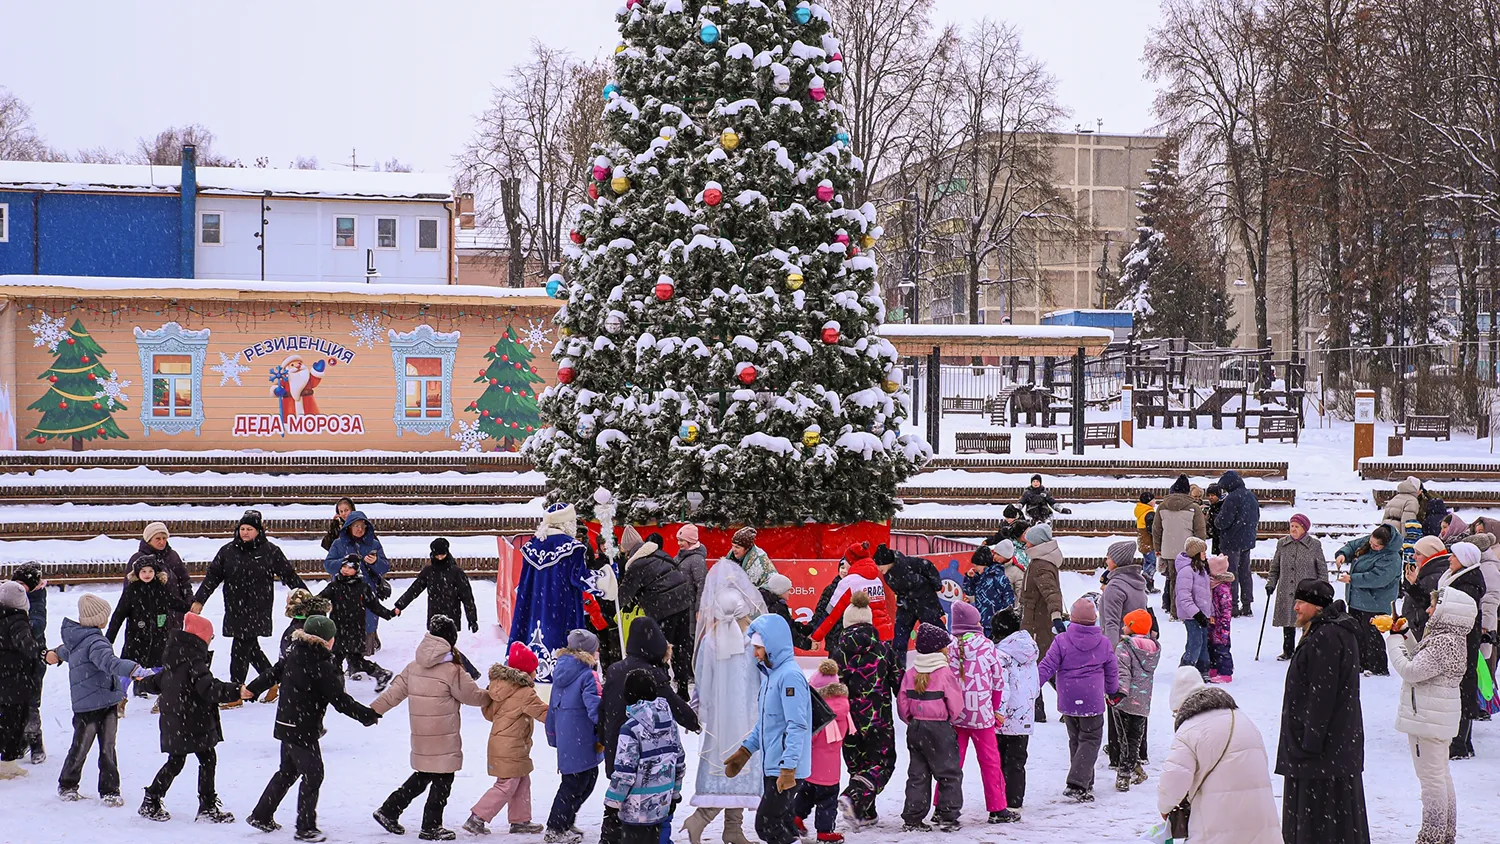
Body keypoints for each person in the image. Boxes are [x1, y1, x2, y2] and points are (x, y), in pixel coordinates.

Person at [247, 614, 380, 842]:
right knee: (313, 774)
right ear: (327, 640)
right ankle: (305, 827)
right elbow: (339, 700)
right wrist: (365, 715)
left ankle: (261, 815)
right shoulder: (321, 665)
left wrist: (252, 689)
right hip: (302, 728)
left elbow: (272, 673)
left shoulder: (293, 653)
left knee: (287, 772)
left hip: (286, 723)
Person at [371, 614, 491, 839]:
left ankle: (389, 810)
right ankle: (431, 826)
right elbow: (473, 696)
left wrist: (373, 711)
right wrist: (493, 695)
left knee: (424, 774)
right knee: (443, 779)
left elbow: (393, 693)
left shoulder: (413, 666)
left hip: (421, 734)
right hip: (443, 735)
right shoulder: (452, 670)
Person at [1276, 579, 1369, 844]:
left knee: (1319, 818)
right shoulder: (1330, 631)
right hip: (1333, 747)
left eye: (1301, 602)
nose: (1295, 608)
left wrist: (1309, 743)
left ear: (1317, 606)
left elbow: (1322, 695)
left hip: (1322, 751)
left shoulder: (1326, 637)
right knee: (1335, 816)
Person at [133, 612, 247, 823]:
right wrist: (236, 690)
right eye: (210, 637)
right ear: (202, 637)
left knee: (183, 760)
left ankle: (155, 800)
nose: (211, 641)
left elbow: (159, 681)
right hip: (191, 720)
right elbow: (209, 688)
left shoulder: (176, 656)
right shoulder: (194, 660)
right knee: (202, 759)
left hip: (177, 720)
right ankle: (202, 806)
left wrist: (143, 682)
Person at [683, 561, 766, 844]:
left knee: (723, 767)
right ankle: (701, 820)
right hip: (749, 717)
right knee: (741, 767)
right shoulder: (754, 643)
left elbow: (702, 681)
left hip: (721, 720)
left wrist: (703, 709)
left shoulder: (710, 643)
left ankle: (732, 828)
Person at [598, 616, 701, 844]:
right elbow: (673, 704)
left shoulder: (615, 670)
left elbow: (603, 709)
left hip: (617, 747)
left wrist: (602, 738)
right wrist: (693, 721)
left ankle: (615, 836)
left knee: (621, 800)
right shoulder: (649, 675)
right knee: (648, 808)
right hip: (649, 759)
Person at [1385, 586, 1473, 844]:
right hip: (1436, 715)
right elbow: (1422, 659)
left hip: (1427, 718)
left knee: (1431, 779)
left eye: (1435, 606)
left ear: (1449, 612)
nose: (1428, 610)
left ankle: (1431, 835)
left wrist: (1392, 640)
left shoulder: (1444, 642)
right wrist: (1405, 634)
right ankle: (1445, 833)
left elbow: (1411, 671)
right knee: (1440, 775)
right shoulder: (1448, 638)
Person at [49, 593, 152, 805]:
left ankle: (92, 787)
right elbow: (110, 663)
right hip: (98, 705)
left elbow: (66, 651)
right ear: (98, 619)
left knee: (84, 747)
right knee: (103, 748)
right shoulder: (96, 642)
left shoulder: (80, 639)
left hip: (96, 702)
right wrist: (133, 669)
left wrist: (54, 653)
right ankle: (102, 789)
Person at [1158, 668, 1280, 844]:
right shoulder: (1242, 718)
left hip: (1218, 823)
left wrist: (1165, 807)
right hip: (1261, 820)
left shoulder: (1189, 729)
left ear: (1179, 706)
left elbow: (1174, 778)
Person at [722, 614, 812, 844]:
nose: (755, 653)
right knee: (783, 823)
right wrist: (746, 751)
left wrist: (789, 768)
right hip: (774, 765)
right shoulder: (772, 676)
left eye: (759, 648)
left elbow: (797, 725)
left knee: (767, 825)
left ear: (772, 646)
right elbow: (767, 722)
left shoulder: (789, 677)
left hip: (785, 768)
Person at [191, 510, 306, 687]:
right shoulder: (227, 551)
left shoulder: (270, 551)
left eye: (249, 529)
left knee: (240, 647)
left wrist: (305, 595)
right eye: (242, 528)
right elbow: (212, 577)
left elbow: (288, 574)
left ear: (258, 531)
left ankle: (236, 689)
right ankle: (273, 682)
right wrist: (200, 600)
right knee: (250, 648)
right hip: (235, 607)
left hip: (258, 607)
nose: (245, 532)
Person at [458, 642, 550, 838]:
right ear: (527, 672)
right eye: (534, 670)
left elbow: (489, 713)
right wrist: (563, 717)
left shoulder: (500, 688)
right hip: (512, 746)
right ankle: (477, 818)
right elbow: (543, 713)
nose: (535, 674)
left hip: (504, 744)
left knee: (522, 779)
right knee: (507, 784)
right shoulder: (525, 693)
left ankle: (520, 821)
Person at [1037, 597, 1120, 803]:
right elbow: (1112, 671)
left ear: (1072, 618)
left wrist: (1031, 686)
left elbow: (1047, 666)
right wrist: (1112, 691)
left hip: (1068, 699)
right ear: (1094, 620)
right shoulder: (1103, 642)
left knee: (1076, 740)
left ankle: (1085, 782)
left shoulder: (1061, 640)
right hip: (1092, 699)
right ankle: (1077, 783)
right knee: (1090, 740)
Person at [895, 623, 964, 831]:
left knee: (918, 774)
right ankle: (947, 815)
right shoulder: (944, 673)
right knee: (949, 772)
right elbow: (956, 703)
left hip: (916, 729)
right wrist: (948, 718)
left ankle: (913, 817)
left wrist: (913, 720)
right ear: (939, 649)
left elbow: (902, 703)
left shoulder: (911, 672)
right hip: (939, 729)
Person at [604, 670, 686, 844]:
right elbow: (679, 762)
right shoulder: (669, 723)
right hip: (662, 804)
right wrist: (675, 794)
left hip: (635, 811)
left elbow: (625, 773)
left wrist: (612, 803)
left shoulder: (631, 729)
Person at [834, 592, 894, 830]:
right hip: (878, 717)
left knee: (858, 766)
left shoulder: (837, 651)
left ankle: (865, 812)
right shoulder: (883, 650)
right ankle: (853, 796)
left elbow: (830, 685)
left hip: (848, 718)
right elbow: (898, 679)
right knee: (882, 762)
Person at [616, 527, 698, 698]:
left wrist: (611, 595)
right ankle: (683, 689)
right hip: (683, 601)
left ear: (629, 550)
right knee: (681, 646)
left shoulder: (636, 565)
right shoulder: (660, 553)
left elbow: (622, 596)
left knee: (660, 648)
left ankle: (663, 687)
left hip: (663, 607)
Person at [512, 504, 593, 672]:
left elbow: (525, 582)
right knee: (563, 655)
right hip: (562, 609)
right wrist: (607, 578)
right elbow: (581, 578)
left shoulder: (532, 546)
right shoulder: (572, 548)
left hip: (533, 609)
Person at [945, 602, 1006, 822]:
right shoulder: (987, 646)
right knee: (990, 762)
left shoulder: (948, 647)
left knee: (952, 763)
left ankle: (944, 807)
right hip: (982, 716)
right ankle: (997, 807)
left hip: (956, 715)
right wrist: (994, 707)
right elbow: (998, 681)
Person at [546, 630, 605, 844]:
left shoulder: (562, 672)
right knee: (576, 784)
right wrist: (607, 728)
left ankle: (565, 821)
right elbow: (595, 708)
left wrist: (553, 735)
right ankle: (555, 827)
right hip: (583, 737)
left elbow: (553, 707)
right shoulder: (588, 675)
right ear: (588, 652)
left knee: (581, 781)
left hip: (568, 737)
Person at [1437, 541, 1487, 759]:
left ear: (1465, 560)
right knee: (1460, 687)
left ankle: (1460, 745)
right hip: (1459, 640)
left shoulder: (1468, 584)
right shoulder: (1458, 577)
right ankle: (1463, 742)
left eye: (1454, 556)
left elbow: (1456, 613)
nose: (1449, 559)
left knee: (1462, 689)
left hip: (1463, 642)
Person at [318, 556, 396, 690]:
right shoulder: (334, 586)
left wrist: (389, 614)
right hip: (338, 629)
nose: (346, 570)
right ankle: (339, 688)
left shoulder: (363, 587)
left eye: (350, 568)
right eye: (344, 567)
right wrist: (306, 605)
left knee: (355, 661)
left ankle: (338, 689)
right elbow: (320, 600)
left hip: (355, 629)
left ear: (356, 570)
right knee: (336, 659)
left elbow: (374, 605)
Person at [321, 509, 391, 658]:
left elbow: (384, 567)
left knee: (368, 623)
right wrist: (346, 561)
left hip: (365, 591)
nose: (359, 529)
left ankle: (363, 659)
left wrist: (375, 562)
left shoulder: (374, 544)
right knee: (341, 624)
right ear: (349, 527)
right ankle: (341, 659)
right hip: (342, 593)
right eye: (356, 526)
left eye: (362, 526)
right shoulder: (338, 544)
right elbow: (328, 565)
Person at [245, 589, 332, 706]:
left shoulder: (300, 632)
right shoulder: (316, 624)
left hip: (299, 694)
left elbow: (283, 666)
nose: (286, 607)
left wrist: (253, 688)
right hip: (306, 691)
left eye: (288, 604)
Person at [795, 659, 851, 843]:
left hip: (812, 766)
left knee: (806, 794)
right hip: (830, 770)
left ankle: (796, 819)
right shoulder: (844, 709)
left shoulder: (818, 711)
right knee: (827, 800)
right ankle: (825, 831)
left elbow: (809, 737)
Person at [1334, 524, 1401, 675]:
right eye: (1371, 543)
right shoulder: (1371, 541)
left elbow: (1378, 578)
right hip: (1357, 599)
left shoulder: (1392, 557)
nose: (1372, 546)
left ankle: (1378, 667)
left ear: (1386, 544)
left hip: (1375, 602)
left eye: (1376, 546)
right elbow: (1352, 546)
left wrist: (1352, 579)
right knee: (1357, 632)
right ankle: (1361, 663)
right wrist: (1343, 554)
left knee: (1372, 635)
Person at [107, 558, 186, 681]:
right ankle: (119, 695)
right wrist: (109, 638)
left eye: (150, 571)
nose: (147, 574)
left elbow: (174, 602)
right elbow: (119, 614)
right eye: (143, 571)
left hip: (159, 637)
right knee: (130, 668)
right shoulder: (132, 591)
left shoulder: (160, 588)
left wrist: (190, 607)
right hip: (136, 639)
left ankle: (162, 693)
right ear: (137, 573)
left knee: (161, 668)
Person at [990, 608, 1035, 823]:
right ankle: (1015, 801)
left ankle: (1000, 801)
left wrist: (997, 712)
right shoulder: (1029, 650)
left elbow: (1002, 687)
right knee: (1017, 761)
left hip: (1004, 717)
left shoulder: (1000, 655)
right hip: (1024, 716)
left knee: (999, 760)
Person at [1018, 523, 1065, 723]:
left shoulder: (1040, 565)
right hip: (1034, 620)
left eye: (1028, 541)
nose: (1025, 544)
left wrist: (1056, 615)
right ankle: (1043, 708)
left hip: (1037, 623)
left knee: (1038, 666)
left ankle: (1038, 710)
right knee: (1043, 665)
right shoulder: (1040, 561)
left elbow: (1051, 593)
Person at [876, 543, 946, 671]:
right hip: (906, 606)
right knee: (899, 639)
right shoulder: (887, 574)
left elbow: (928, 566)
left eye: (880, 565)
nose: (878, 568)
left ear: (888, 562)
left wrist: (936, 585)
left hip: (925, 603)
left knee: (937, 635)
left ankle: (948, 662)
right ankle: (898, 670)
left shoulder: (909, 563)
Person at [1110, 609, 1158, 791]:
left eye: (1126, 624)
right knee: (1135, 737)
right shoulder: (1152, 648)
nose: (1123, 627)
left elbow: (1122, 672)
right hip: (1143, 699)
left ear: (1132, 627)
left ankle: (1124, 774)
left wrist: (1118, 693)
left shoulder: (1125, 647)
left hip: (1125, 698)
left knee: (1125, 738)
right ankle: (1137, 769)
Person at [1267, 514, 1327, 660]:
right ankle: (1288, 650)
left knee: (1307, 621)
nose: (1293, 529)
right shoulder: (1282, 544)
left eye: (1297, 526)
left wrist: (1323, 588)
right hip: (1286, 589)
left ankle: (1306, 650)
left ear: (1304, 529)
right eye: (1292, 526)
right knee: (1288, 621)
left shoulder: (1314, 545)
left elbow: (1322, 569)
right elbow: (1275, 567)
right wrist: (1271, 583)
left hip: (1307, 591)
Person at [811, 543, 895, 646]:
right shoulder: (876, 580)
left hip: (862, 638)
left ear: (850, 561)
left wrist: (816, 636)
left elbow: (832, 614)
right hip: (884, 633)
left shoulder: (849, 582)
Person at [395, 538, 480, 634]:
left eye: (442, 555)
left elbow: (467, 597)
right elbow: (414, 590)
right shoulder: (429, 571)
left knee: (447, 643)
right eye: (437, 555)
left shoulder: (456, 572)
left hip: (452, 614)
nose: (439, 558)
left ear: (447, 553)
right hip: (434, 614)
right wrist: (400, 605)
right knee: (435, 643)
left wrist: (472, 619)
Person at [0, 581, 39, 780]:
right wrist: (39, 651)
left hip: (5, 677)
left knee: (6, 721)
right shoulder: (17, 621)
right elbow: (27, 645)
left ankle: (7, 762)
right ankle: (7, 764)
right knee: (14, 722)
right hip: (15, 680)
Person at [11, 564, 48, 764]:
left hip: (33, 659)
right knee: (12, 703)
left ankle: (35, 742)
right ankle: (18, 741)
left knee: (30, 702)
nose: (19, 588)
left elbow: (38, 622)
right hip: (11, 660)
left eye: (23, 585)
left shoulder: (37, 598)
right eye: (16, 583)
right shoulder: (8, 595)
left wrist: (20, 628)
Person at [128, 522, 193, 630]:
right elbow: (129, 589)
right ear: (148, 540)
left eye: (164, 538)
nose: (162, 542)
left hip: (174, 614)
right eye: (157, 538)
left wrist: (188, 601)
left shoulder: (173, 556)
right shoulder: (138, 559)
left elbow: (184, 581)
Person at [1153, 475, 1207, 605]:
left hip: (1168, 550)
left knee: (1172, 580)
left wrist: (1158, 548)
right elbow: (1200, 531)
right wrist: (1200, 550)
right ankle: (1182, 609)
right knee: (1186, 581)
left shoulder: (1161, 507)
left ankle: (1172, 607)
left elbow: (1156, 530)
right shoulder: (1194, 508)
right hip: (1188, 551)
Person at [1212, 470, 1259, 616]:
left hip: (1232, 541)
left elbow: (1223, 522)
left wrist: (1215, 519)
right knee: (1245, 572)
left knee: (1231, 573)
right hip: (1247, 540)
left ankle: (1232, 605)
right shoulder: (1250, 496)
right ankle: (1247, 604)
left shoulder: (1232, 498)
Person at [1174, 537, 1214, 679]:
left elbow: (1206, 594)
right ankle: (1186, 668)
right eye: (1202, 551)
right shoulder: (1186, 572)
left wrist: (1209, 613)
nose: (1205, 554)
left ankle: (1202, 669)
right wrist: (1197, 614)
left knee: (1203, 641)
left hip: (1202, 614)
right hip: (1192, 615)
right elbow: (1184, 597)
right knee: (1195, 642)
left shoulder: (1201, 569)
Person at [1402, 536, 1452, 640]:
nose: (1414, 557)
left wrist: (1414, 587)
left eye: (1418, 554)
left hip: (1423, 634)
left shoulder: (1434, 577)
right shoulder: (1428, 573)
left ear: (1429, 555)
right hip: (1418, 631)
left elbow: (1430, 606)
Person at [963, 543, 1017, 637]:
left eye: (976, 565)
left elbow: (1009, 598)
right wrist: (969, 578)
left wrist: (1004, 618)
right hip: (981, 621)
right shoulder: (979, 577)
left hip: (995, 623)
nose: (974, 568)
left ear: (983, 564)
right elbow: (969, 591)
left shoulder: (997, 576)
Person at [1099, 540, 1146, 644]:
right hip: (1135, 646)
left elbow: (1111, 624)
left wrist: (1110, 654)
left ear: (1116, 561)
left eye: (1109, 558)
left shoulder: (1115, 586)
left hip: (1120, 646)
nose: (1106, 561)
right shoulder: (1136, 581)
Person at [806, 557, 852, 664]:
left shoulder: (857, 588)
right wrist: (812, 630)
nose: (844, 571)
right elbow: (820, 611)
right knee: (834, 667)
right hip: (833, 635)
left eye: (847, 568)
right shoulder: (830, 589)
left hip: (850, 635)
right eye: (842, 567)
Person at [760, 573, 810, 651]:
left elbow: (789, 624)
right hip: (774, 650)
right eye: (788, 590)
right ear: (780, 590)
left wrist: (804, 630)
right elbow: (787, 631)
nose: (790, 592)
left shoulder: (772, 604)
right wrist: (808, 644)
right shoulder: (776, 607)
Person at [1206, 555, 1235, 683]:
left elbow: (1226, 609)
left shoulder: (1222, 588)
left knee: (1222, 647)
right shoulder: (1212, 584)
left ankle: (1226, 672)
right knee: (1211, 645)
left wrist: (1223, 624)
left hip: (1221, 624)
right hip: (1212, 621)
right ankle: (1214, 667)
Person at [1135, 491, 1158, 590]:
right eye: (1153, 500)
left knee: (1147, 563)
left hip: (1143, 542)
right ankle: (1145, 580)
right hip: (1149, 543)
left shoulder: (1141, 511)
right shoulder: (1149, 513)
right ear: (1149, 502)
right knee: (1153, 563)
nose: (1155, 501)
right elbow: (1152, 529)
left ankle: (1147, 585)